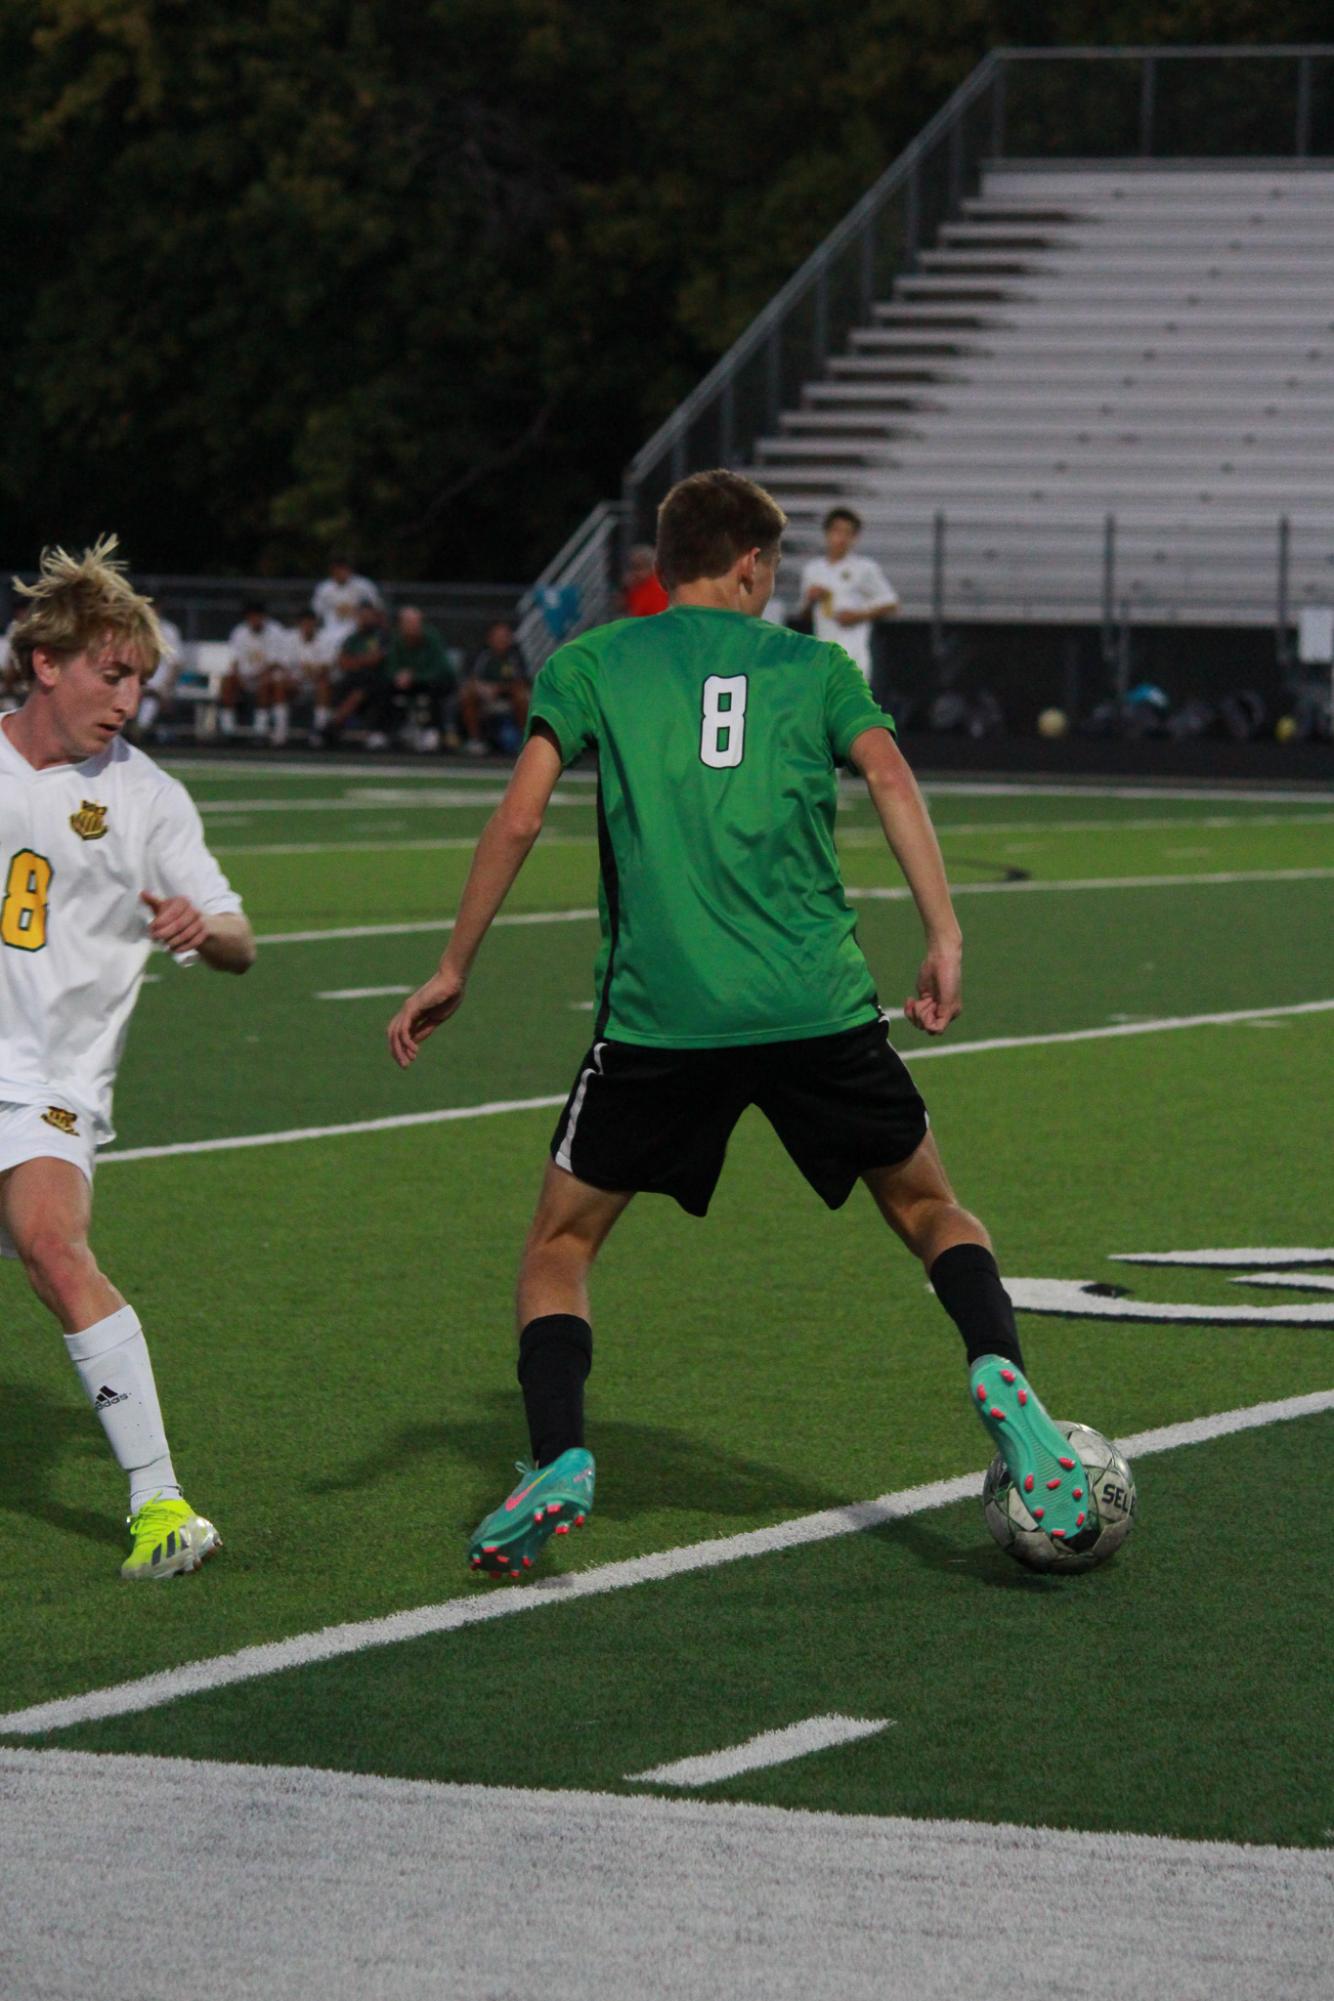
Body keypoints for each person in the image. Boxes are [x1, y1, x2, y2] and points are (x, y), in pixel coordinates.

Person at [387, 469, 1091, 1580]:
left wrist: (451, 964)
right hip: (816, 1002)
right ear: (754, 563)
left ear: (665, 563)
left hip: (662, 1018)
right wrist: (943, 934)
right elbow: (892, 778)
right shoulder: (813, 665)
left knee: (559, 1247)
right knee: (929, 1206)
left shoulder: (593, 661)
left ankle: (559, 1454)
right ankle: (995, 1366)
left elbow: (520, 813)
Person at [0, 538, 255, 1580]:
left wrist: (204, 928)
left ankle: (161, 1504)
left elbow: (242, 940)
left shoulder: (146, 799)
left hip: (50, 1080)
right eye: (113, 674)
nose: (129, 700)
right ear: (44, 663)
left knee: (51, 1245)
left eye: (141, 680)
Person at [800, 506, 899, 686]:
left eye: (848, 533)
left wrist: (858, 616)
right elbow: (804, 615)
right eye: (837, 531)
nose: (842, 538)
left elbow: (891, 603)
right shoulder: (813, 569)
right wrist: (811, 600)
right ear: (827, 533)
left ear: (855, 538)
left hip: (854, 656)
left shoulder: (864, 568)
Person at [383, 605, 460, 751]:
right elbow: (391, 666)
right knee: (383, 687)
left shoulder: (432, 638)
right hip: (408, 683)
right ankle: (389, 730)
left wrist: (414, 676)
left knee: (436, 688)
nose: (412, 627)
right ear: (401, 625)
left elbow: (439, 669)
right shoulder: (396, 639)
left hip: (435, 682)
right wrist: (398, 676)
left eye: (415, 623)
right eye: (408, 623)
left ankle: (432, 730)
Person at [220, 600, 293, 746]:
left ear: (264, 617)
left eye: (258, 616)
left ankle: (260, 731)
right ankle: (227, 731)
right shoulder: (239, 632)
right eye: (251, 617)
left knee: (267, 684)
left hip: (268, 677)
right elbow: (234, 661)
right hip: (244, 677)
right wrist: (238, 677)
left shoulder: (275, 631)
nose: (255, 620)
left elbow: (276, 662)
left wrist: (259, 677)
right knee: (227, 682)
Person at [459, 619, 529, 756]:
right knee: (467, 695)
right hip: (484, 698)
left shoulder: (515, 656)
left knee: (522, 696)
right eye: (498, 637)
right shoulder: (481, 655)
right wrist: (483, 688)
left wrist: (499, 688)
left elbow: (523, 682)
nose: (502, 641)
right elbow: (469, 679)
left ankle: (525, 740)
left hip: (509, 699)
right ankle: (475, 740)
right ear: (490, 639)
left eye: (505, 637)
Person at [283, 607, 337, 742]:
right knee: (280, 685)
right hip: (296, 684)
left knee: (324, 685)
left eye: (310, 623)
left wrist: (310, 675)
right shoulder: (290, 640)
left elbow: (326, 668)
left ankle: (319, 731)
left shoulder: (326, 640)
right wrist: (294, 679)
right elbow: (285, 667)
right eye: (304, 623)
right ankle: (280, 731)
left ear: (315, 624)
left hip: (316, 684)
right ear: (299, 624)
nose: (308, 627)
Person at [312, 556, 382, 650]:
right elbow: (316, 611)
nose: (341, 573)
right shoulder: (324, 589)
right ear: (332, 572)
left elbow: (376, 606)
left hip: (358, 628)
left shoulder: (363, 585)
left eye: (343, 570)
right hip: (331, 629)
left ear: (349, 570)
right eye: (337, 570)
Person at [620, 544, 669, 618]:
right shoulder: (637, 588)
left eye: (638, 568)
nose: (634, 573)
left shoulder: (656, 588)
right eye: (631, 568)